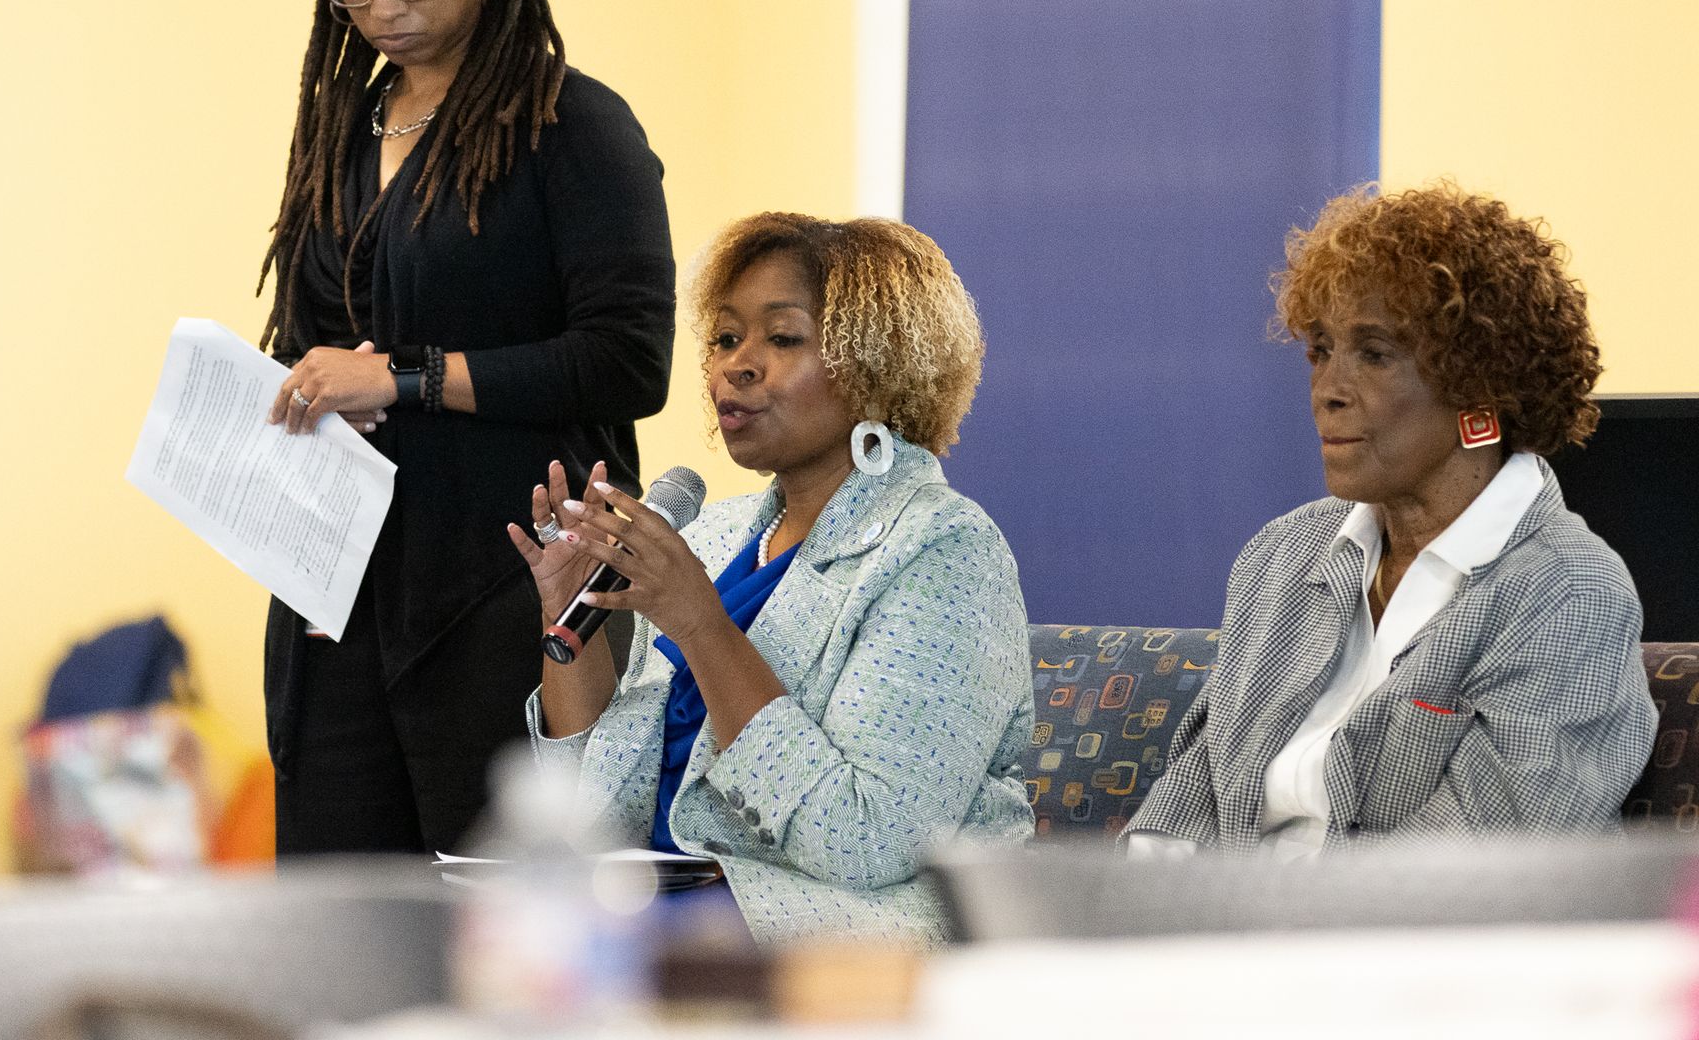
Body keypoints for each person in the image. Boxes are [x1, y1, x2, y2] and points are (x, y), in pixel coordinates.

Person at [256, 0, 674, 855]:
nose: (380, 3)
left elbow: (627, 359)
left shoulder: (573, 126)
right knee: (342, 933)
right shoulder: (340, 132)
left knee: (499, 931)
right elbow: (310, 334)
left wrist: (401, 376)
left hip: (507, 587)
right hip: (339, 591)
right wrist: (295, 395)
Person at [508, 213, 1034, 942]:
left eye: (781, 338)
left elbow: (867, 842)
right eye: (726, 339)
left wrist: (700, 623)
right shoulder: (715, 538)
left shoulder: (943, 550)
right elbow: (596, 818)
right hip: (668, 914)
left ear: (879, 366)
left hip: (862, 939)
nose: (737, 364)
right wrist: (569, 616)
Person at [1126, 183, 1655, 857]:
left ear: (1481, 389)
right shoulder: (1282, 556)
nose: (1328, 390)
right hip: (1216, 946)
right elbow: (1183, 810)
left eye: (1374, 354)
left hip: (1394, 954)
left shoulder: (1568, 594)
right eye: (1320, 349)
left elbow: (1467, 880)